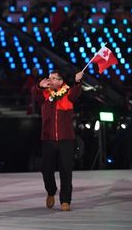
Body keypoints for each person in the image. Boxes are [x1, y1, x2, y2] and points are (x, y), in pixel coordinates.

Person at [31, 70, 83, 211]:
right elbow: (35, 94)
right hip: (48, 138)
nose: (50, 80)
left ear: (61, 82)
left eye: (54, 78)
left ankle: (66, 200)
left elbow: (76, 93)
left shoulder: (68, 93)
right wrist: (39, 86)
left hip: (66, 139)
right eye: (49, 78)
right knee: (46, 170)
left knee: (66, 170)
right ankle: (51, 191)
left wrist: (77, 82)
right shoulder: (45, 94)